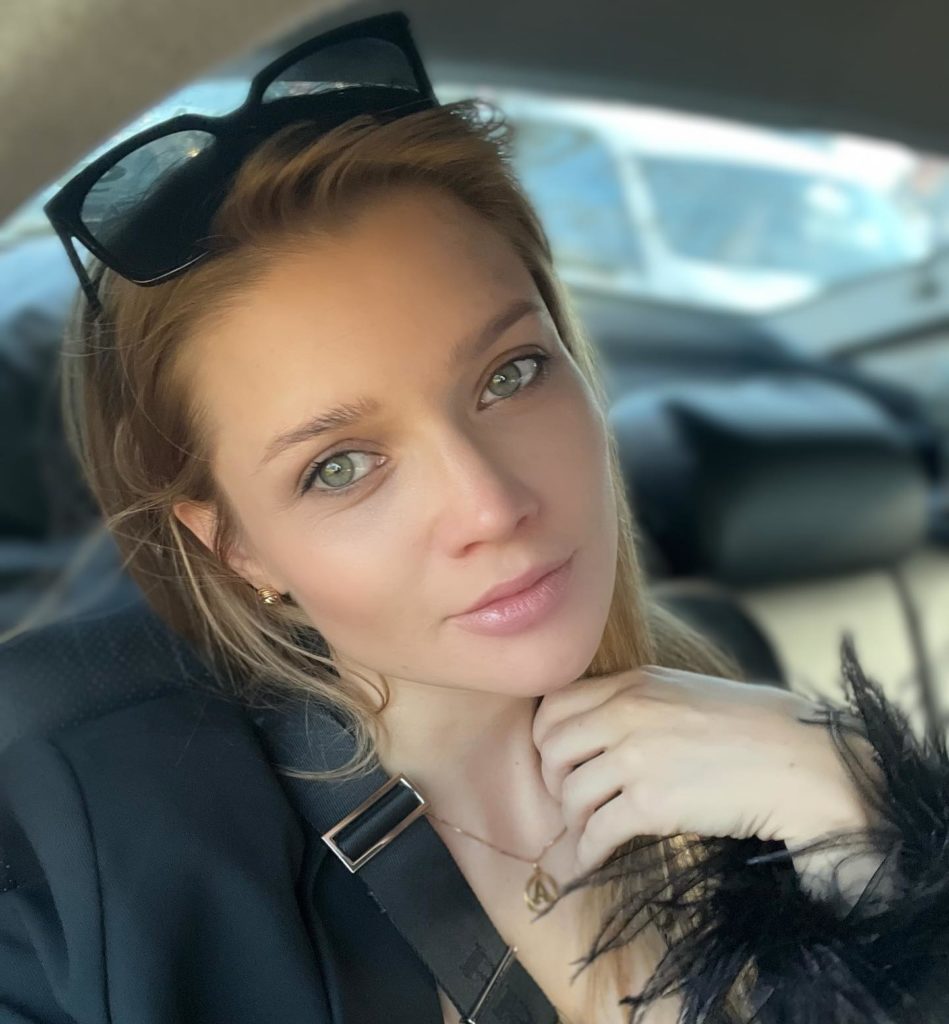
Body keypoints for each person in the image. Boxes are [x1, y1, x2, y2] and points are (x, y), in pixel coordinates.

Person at [1, 11, 948, 1024]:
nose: (491, 507)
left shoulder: (749, 730)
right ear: (236, 546)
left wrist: (877, 854)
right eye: (339, 467)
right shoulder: (99, 873)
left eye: (510, 374)